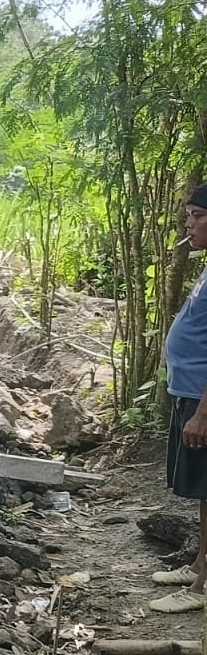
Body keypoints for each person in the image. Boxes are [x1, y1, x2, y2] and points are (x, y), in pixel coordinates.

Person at [151, 185, 207, 613]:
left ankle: (199, 589)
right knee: (203, 491)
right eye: (188, 215)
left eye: (197, 216)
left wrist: (203, 413)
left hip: (202, 399)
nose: (188, 223)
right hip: (189, 391)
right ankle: (199, 565)